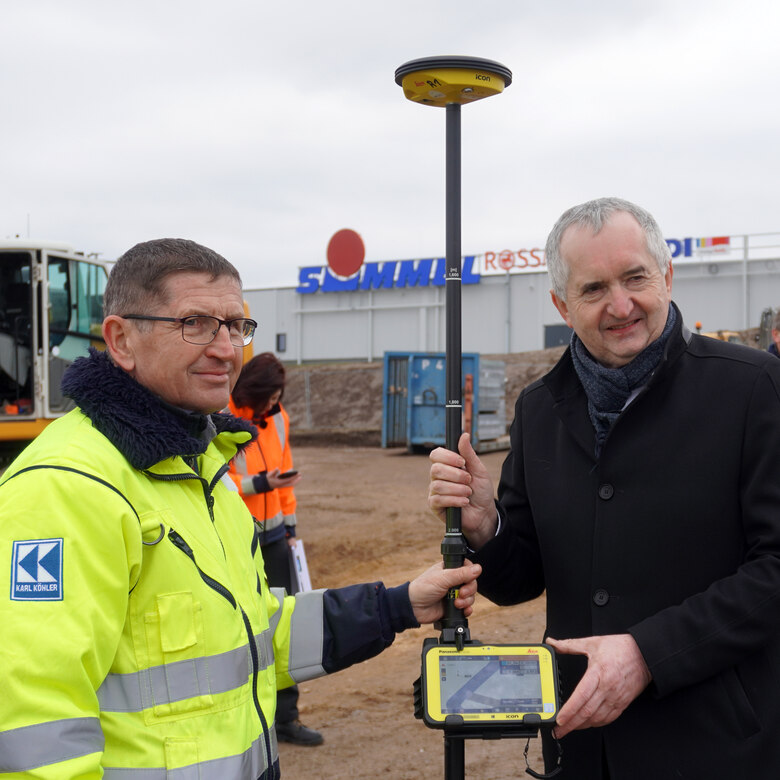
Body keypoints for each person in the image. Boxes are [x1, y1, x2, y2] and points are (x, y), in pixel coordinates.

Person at [0, 238, 481, 780]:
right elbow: (33, 726)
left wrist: (398, 605)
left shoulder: (204, 471)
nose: (226, 349)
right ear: (121, 339)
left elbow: (253, 637)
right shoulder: (65, 488)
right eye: (195, 324)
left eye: (235, 326)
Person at [428, 198, 780, 780]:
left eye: (635, 278)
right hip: (583, 749)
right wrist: (486, 525)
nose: (620, 305)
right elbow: (520, 578)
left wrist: (648, 654)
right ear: (562, 306)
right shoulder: (539, 409)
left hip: (717, 746)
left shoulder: (753, 389)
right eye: (594, 289)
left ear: (667, 276)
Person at [228, 352, 322, 746]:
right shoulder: (222, 416)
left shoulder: (279, 418)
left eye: (277, 399)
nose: (274, 405)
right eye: (269, 398)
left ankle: (286, 718)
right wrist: (261, 484)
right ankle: (243, 721)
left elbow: (284, 478)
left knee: (283, 627)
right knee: (239, 629)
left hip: (276, 537)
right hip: (238, 537)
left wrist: (291, 528)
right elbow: (219, 480)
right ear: (253, 392)